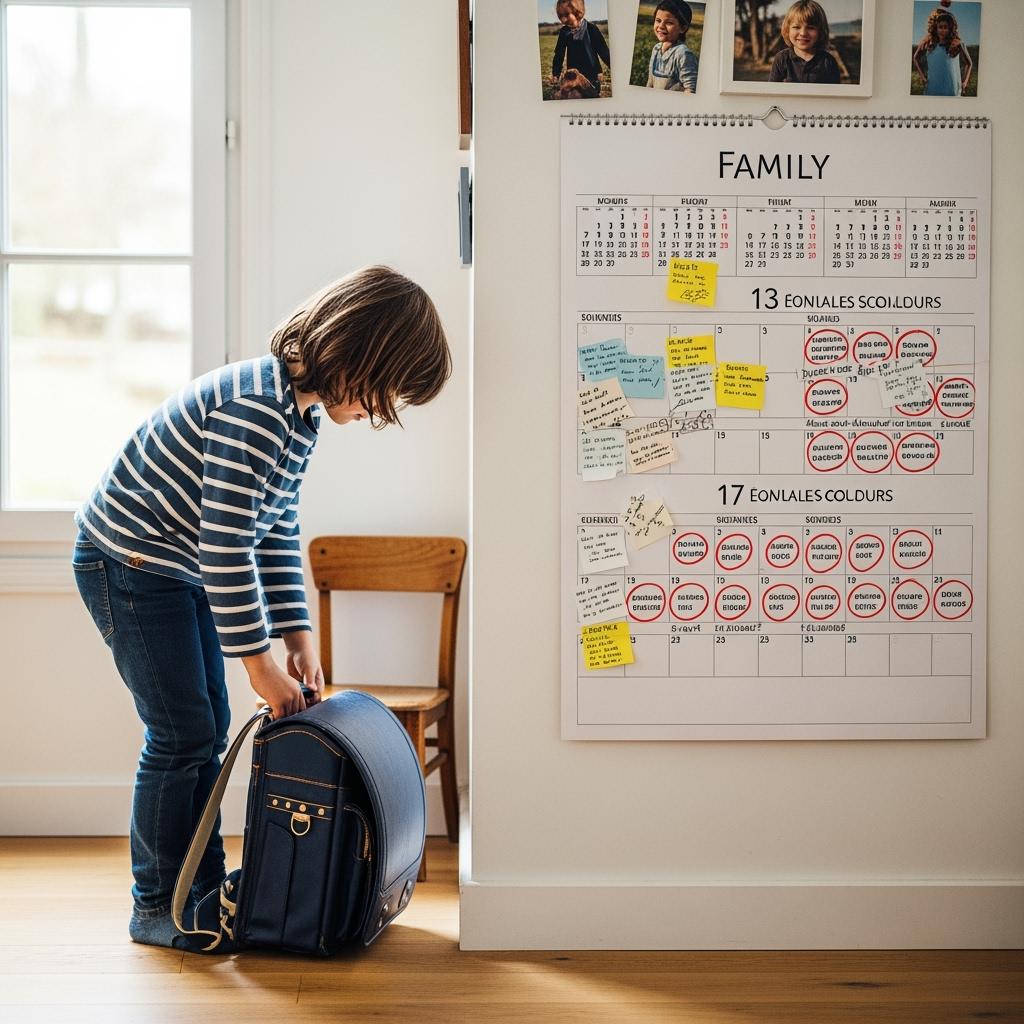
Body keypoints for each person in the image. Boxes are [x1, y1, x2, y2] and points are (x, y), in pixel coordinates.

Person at [71, 265, 451, 949]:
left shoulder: (296, 418)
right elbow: (224, 548)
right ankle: (157, 904)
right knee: (181, 735)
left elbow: (270, 526)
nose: (375, 411)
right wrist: (259, 665)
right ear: (353, 354)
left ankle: (198, 890)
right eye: (382, 392)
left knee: (203, 733)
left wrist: (296, 631)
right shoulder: (253, 410)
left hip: (170, 566)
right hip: (127, 564)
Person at [768, 0, 841, 85]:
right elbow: (772, 93)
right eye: (796, 27)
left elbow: (834, 96)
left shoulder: (828, 62)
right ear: (787, 30)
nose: (803, 33)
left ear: (820, 31)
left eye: (810, 28)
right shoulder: (781, 59)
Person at [549, 0, 610, 99]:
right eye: (561, 16)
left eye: (566, 15)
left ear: (578, 12)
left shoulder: (591, 29)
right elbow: (559, 54)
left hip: (592, 74)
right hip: (573, 75)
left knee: (592, 96)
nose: (563, 20)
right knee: (575, 97)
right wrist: (556, 73)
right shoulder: (564, 32)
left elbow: (604, 51)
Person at [913, 7, 972, 97]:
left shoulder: (958, 44)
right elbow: (915, 58)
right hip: (932, 89)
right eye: (940, 27)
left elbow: (969, 63)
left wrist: (965, 82)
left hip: (953, 90)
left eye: (946, 27)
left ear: (950, 28)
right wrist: (923, 78)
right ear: (935, 28)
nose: (943, 30)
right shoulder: (928, 43)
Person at [645, 1, 698, 93]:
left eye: (669, 23)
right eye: (658, 20)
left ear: (683, 28)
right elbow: (650, 81)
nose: (661, 26)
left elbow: (690, 88)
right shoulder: (656, 48)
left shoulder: (683, 53)